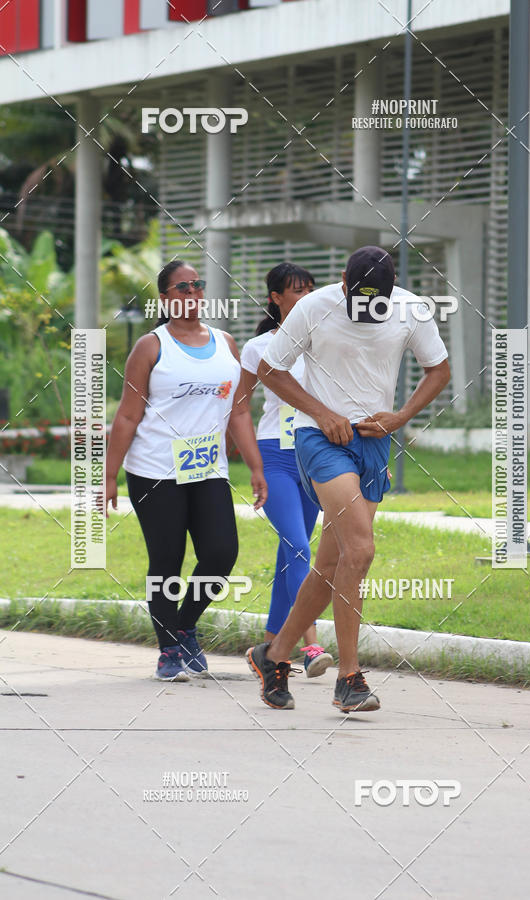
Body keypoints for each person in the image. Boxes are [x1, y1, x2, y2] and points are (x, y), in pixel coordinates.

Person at [246, 246, 450, 712]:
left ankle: (274, 654)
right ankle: (350, 678)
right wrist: (321, 412)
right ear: (343, 280)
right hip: (319, 439)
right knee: (361, 549)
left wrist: (402, 417)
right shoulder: (314, 308)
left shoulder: (410, 309)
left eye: (376, 302)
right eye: (359, 299)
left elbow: (438, 370)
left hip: (375, 441)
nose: (367, 310)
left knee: (333, 562)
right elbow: (269, 370)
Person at [105, 259, 267, 681]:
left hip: (207, 468)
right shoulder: (151, 346)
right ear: (165, 298)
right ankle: (167, 650)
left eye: (198, 286)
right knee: (166, 560)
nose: (193, 293)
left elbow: (239, 412)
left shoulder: (226, 342)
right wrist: (109, 475)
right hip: (155, 469)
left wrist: (255, 466)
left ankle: (184, 623)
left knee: (220, 552)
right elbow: (126, 416)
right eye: (183, 288)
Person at [240, 263, 333, 678]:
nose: (307, 297)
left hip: (312, 456)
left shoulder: (325, 343)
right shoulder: (258, 347)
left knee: (288, 555)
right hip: (274, 456)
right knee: (298, 547)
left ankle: (269, 647)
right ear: (276, 298)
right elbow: (239, 407)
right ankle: (311, 645)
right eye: (298, 291)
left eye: (312, 290)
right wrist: (253, 466)